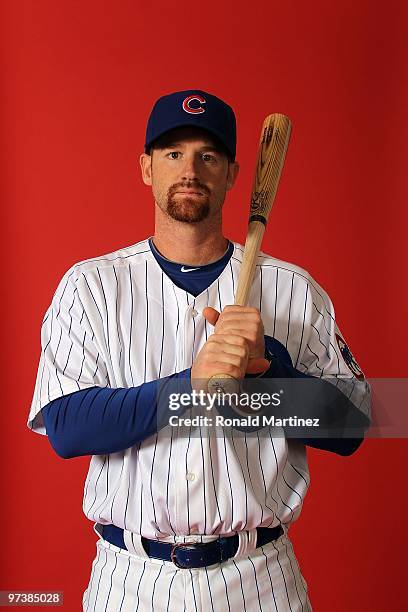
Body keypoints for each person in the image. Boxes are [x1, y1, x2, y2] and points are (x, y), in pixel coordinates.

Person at [27, 90, 371, 611]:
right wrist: (186, 388)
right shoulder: (90, 287)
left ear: (232, 174)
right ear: (146, 168)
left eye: (208, 155)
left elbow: (354, 427)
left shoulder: (294, 288)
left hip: (260, 580)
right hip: (130, 580)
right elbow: (68, 427)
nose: (190, 168)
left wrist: (271, 372)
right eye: (172, 153)